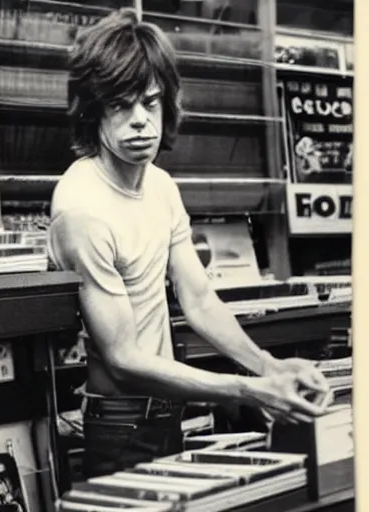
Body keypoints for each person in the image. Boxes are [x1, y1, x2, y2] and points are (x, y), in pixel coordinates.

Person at [48, 8, 330, 479]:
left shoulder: (160, 186)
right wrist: (247, 390)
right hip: (119, 423)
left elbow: (198, 299)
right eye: (120, 105)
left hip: (168, 412)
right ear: (93, 110)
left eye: (151, 102)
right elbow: (122, 359)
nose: (140, 121)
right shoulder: (82, 209)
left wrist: (268, 366)